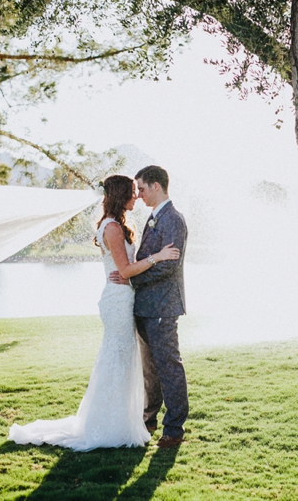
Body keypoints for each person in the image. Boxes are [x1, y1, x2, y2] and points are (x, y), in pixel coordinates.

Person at [8, 174, 180, 451]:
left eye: (139, 191)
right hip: (118, 299)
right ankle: (108, 425)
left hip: (125, 296)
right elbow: (124, 271)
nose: (137, 196)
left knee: (121, 359)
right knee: (117, 358)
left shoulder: (117, 224)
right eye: (133, 192)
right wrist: (157, 257)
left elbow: (126, 268)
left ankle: (121, 421)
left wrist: (139, 268)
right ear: (121, 195)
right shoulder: (112, 227)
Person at [111, 165, 189, 449]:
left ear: (156, 186)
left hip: (162, 306)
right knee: (150, 370)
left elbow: (169, 266)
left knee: (169, 367)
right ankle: (149, 419)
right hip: (145, 307)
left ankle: (174, 428)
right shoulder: (154, 218)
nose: (139, 195)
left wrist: (132, 278)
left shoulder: (173, 220)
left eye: (142, 189)